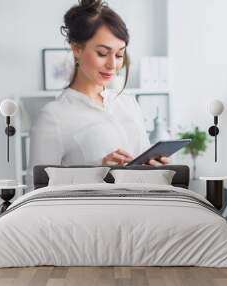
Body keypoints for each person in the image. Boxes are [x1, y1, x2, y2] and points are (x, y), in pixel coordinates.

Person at [28, 0, 170, 181]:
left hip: (139, 206)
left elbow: (144, 171)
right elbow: (37, 191)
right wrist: (98, 175)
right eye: (103, 53)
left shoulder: (128, 102)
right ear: (77, 48)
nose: (113, 65)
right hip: (91, 209)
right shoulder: (53, 117)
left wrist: (156, 169)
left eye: (119, 55)